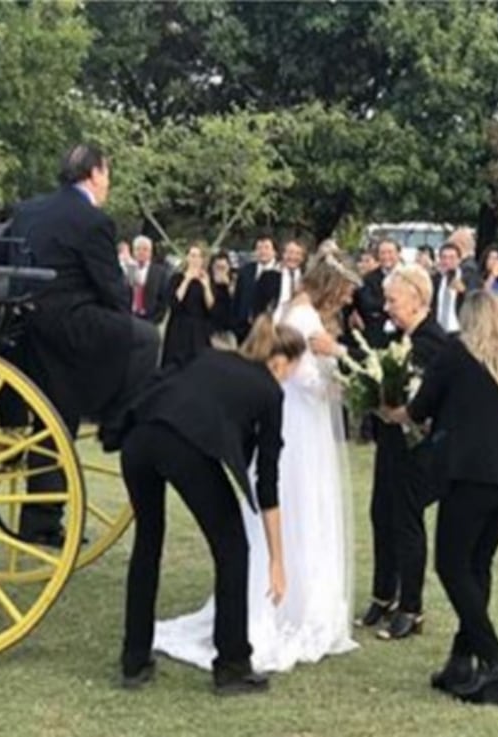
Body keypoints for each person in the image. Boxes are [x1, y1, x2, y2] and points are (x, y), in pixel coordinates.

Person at [153, 254, 360, 672]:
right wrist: (343, 368)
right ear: (332, 288)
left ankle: (284, 586)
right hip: (298, 426)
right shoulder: (307, 321)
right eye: (344, 294)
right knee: (300, 504)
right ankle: (290, 600)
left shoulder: (291, 310)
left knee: (302, 505)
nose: (346, 302)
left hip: (299, 422)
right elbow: (310, 381)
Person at [119, 315, 306, 693]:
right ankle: (233, 666)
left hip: (139, 439)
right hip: (182, 447)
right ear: (281, 362)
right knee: (233, 550)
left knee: (148, 543)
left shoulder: (210, 357)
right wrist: (276, 560)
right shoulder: (271, 391)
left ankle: (134, 661)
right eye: (294, 369)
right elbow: (266, 480)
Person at [386, 291, 498, 706]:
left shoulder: (457, 353)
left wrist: (392, 409)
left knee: (453, 566)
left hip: (473, 474)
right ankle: (461, 661)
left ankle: (494, 663)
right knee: (476, 566)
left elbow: (420, 409)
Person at [7, 143, 160, 544]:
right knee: (145, 338)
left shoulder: (28, 211)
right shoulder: (92, 221)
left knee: (51, 424)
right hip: (69, 328)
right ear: (93, 173)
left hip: (23, 328)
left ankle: (39, 523)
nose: (108, 182)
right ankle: (115, 417)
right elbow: (114, 292)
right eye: (106, 173)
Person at [355, 265, 448, 640]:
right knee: (381, 513)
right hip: (392, 441)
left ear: (417, 298)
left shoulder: (432, 341)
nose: (388, 307)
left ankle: (412, 607)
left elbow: (421, 402)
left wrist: (393, 407)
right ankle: (383, 595)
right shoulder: (399, 336)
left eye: (393, 300)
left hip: (418, 447)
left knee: (407, 522)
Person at [161, 242, 215, 368]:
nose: (194, 260)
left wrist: (206, 286)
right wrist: (187, 280)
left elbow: (211, 307)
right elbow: (174, 302)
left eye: (198, 256)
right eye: (192, 256)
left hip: (198, 329)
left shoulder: (207, 279)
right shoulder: (176, 278)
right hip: (179, 327)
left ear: (203, 260)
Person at [232, 235, 277, 342]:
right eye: (259, 248)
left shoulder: (280, 273)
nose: (263, 251)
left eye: (266, 247)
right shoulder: (245, 271)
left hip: (268, 330)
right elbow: (237, 298)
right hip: (244, 329)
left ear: (274, 251)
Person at [253, 238, 308, 320]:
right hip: (273, 323)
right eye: (290, 252)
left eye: (298, 253)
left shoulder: (307, 279)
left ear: (303, 258)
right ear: (283, 254)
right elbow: (257, 306)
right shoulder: (268, 277)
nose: (293, 257)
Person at [129, 235, 170, 324]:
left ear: (150, 253)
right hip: (129, 319)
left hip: (150, 321)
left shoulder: (159, 272)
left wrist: (155, 320)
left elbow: (163, 300)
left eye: (145, 249)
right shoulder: (129, 270)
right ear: (133, 252)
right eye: (138, 249)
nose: (141, 252)